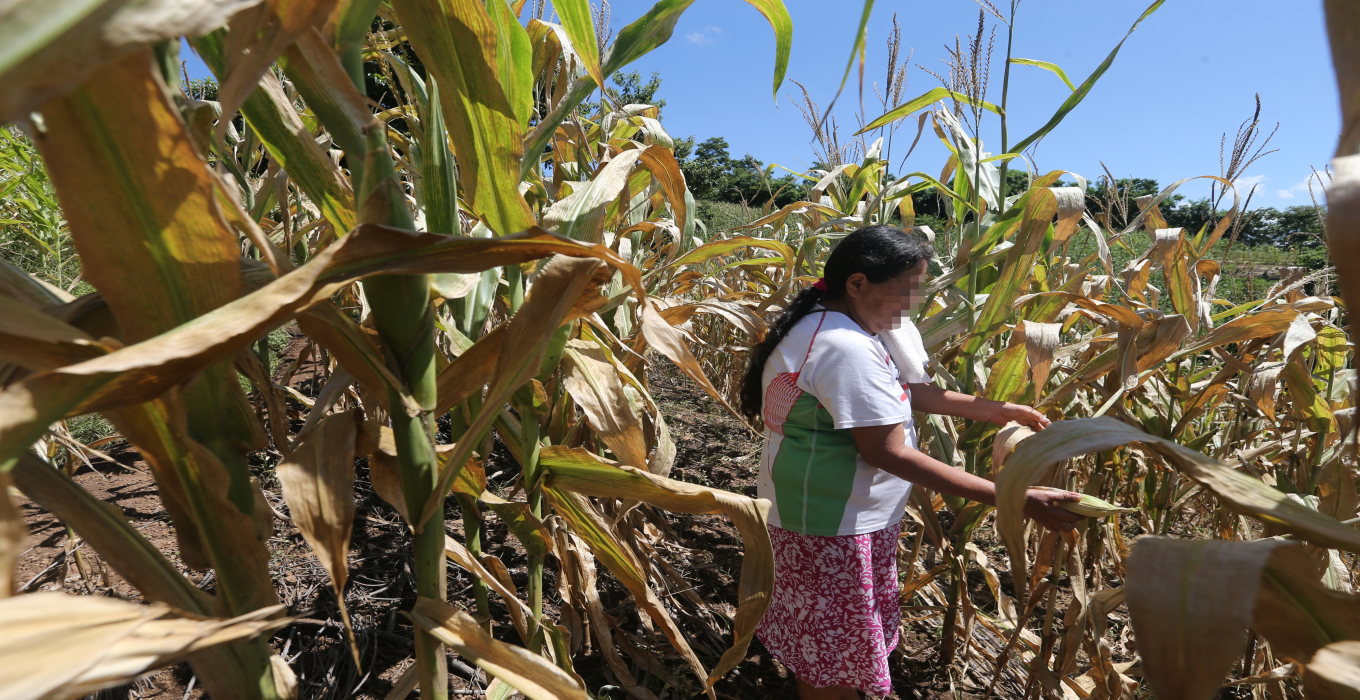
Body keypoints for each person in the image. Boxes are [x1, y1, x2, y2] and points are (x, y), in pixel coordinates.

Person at [739, 225, 1083, 699]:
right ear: (858, 283)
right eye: (906, 291)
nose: (912, 306)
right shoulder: (846, 349)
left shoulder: (826, 322)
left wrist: (999, 409)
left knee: (822, 642)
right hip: (831, 525)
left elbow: (906, 391)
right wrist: (1015, 497)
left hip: (810, 511)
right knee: (831, 661)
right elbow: (886, 451)